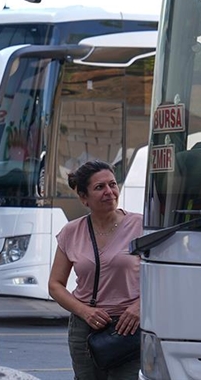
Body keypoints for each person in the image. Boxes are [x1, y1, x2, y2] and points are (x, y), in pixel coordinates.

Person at [49, 160, 142, 380]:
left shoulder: (141, 226)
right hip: (86, 329)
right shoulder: (71, 232)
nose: (109, 192)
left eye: (112, 184)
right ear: (84, 198)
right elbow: (55, 285)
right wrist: (85, 312)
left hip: (129, 327)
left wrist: (140, 306)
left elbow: (162, 277)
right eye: (100, 187)